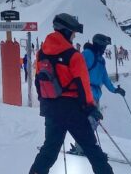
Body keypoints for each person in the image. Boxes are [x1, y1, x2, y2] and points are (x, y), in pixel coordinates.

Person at [28, 13, 112, 174]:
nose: (74, 36)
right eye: (73, 32)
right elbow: (83, 85)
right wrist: (90, 108)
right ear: (66, 32)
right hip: (73, 110)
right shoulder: (73, 56)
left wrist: (45, 102)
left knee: (49, 151)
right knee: (92, 150)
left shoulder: (41, 53)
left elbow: (38, 80)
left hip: (51, 109)